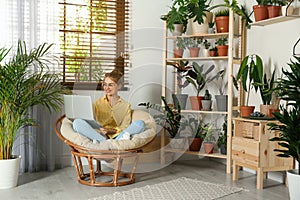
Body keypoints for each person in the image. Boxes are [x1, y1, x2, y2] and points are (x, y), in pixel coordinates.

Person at [72, 69, 146, 142]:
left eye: (110, 85)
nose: (106, 88)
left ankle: (111, 142)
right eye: (105, 85)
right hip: (100, 134)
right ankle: (104, 142)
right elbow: (92, 122)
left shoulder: (126, 106)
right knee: (77, 122)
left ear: (119, 86)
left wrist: (112, 131)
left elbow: (124, 127)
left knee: (140, 124)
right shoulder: (97, 103)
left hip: (117, 135)